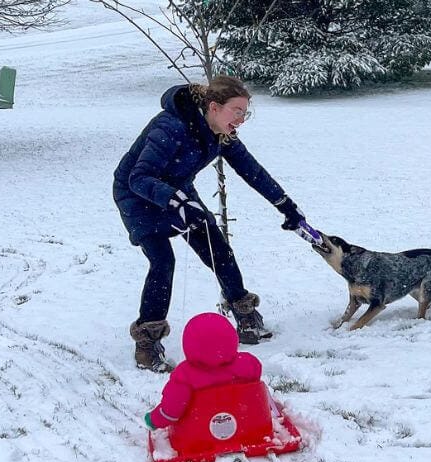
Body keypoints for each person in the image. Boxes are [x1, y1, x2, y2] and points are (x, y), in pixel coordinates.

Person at [113, 75, 310, 371]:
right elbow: (138, 177)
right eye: (237, 111)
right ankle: (147, 341)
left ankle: (243, 313)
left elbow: (252, 171)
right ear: (215, 107)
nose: (242, 119)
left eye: (246, 113)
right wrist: (177, 201)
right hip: (137, 196)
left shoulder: (221, 134)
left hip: (178, 190)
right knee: (162, 260)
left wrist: (286, 206)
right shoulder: (171, 126)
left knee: (218, 249)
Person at [143, 313, 262, 429]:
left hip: (200, 434)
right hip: (245, 426)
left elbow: (172, 410)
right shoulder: (248, 363)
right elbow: (256, 390)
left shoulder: (185, 375)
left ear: (189, 343)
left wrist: (154, 420)